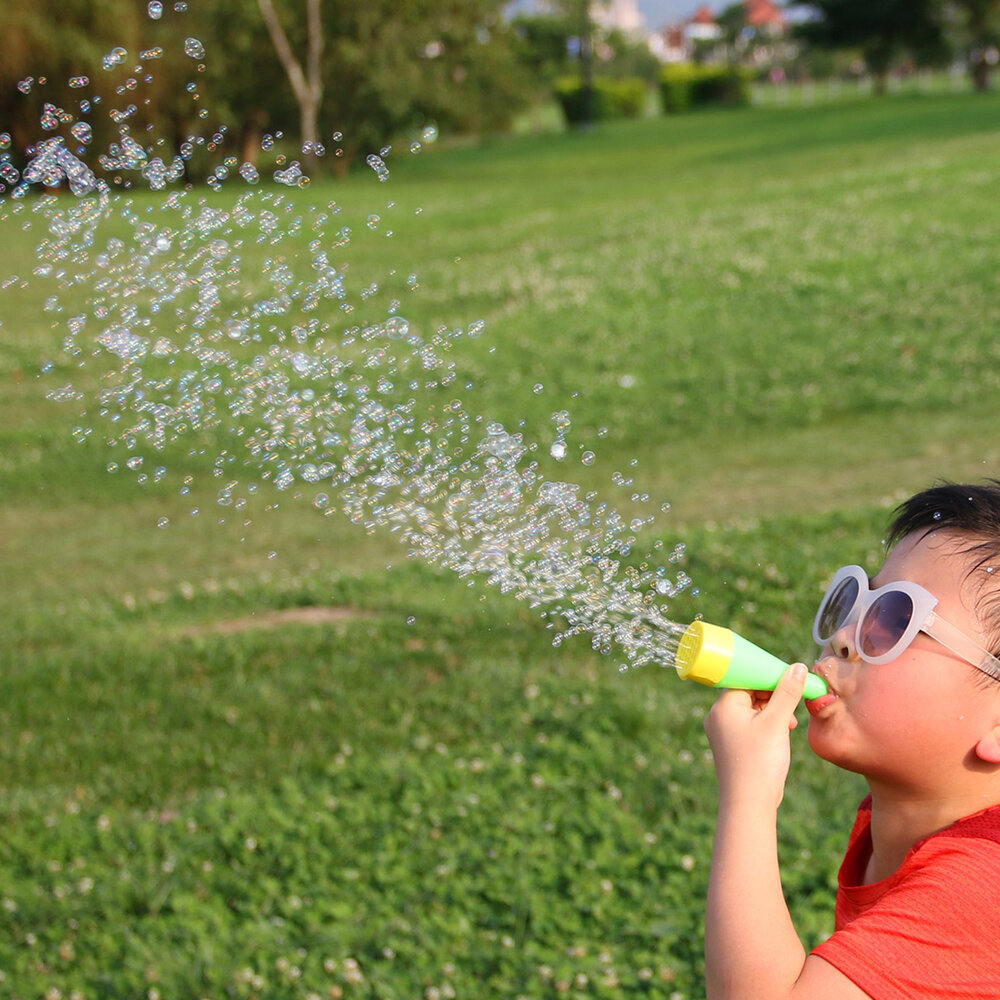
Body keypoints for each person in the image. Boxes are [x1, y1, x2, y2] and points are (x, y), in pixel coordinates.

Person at [703, 480, 1000, 1000]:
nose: (844, 635)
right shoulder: (900, 816)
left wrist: (748, 797)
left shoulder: (983, 887)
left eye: (900, 619)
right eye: (863, 602)